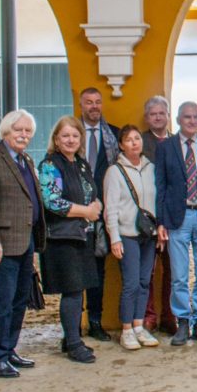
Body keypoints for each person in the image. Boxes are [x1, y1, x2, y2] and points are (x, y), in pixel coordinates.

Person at [0, 109, 47, 378]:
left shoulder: (25, 160)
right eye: (18, 130)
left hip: (24, 242)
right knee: (2, 301)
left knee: (18, 300)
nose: (23, 135)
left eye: (28, 131)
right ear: (5, 131)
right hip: (0, 245)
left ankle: (10, 350)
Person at [154, 101, 197, 346]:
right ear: (178, 119)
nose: (192, 121)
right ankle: (182, 321)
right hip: (178, 218)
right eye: (187, 117)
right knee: (179, 275)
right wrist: (161, 221)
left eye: (195, 116)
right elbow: (161, 186)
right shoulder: (166, 148)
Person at [38, 116, 103, 363]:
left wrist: (96, 204)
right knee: (72, 292)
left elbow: (91, 192)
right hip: (62, 238)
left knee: (79, 290)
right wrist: (85, 211)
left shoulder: (81, 164)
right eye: (65, 136)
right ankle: (74, 344)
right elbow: (52, 200)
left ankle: (71, 338)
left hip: (81, 235)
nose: (70, 140)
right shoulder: (50, 165)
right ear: (56, 139)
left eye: (75, 136)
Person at [103, 125, 161, 350]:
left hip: (148, 235)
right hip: (127, 234)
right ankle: (126, 329)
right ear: (121, 145)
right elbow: (111, 208)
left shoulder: (151, 169)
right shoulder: (115, 172)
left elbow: (157, 201)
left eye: (137, 138)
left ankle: (139, 325)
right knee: (130, 284)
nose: (134, 143)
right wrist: (114, 238)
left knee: (144, 282)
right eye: (129, 140)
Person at [78, 87, 120, 343]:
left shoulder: (113, 135)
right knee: (75, 271)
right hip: (75, 212)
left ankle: (95, 321)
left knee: (98, 271)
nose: (94, 106)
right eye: (88, 102)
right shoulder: (71, 133)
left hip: (103, 212)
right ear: (81, 105)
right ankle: (72, 327)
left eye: (97, 102)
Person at [139, 95, 173, 334]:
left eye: (162, 113)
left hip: (174, 216)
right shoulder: (139, 143)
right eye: (154, 114)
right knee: (147, 271)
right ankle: (148, 316)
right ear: (147, 117)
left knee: (174, 270)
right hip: (147, 216)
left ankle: (169, 315)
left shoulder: (178, 142)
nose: (158, 117)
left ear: (168, 116)